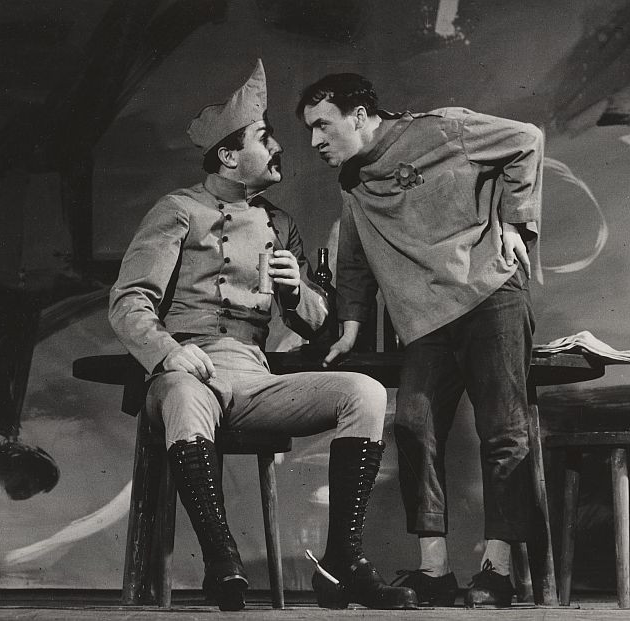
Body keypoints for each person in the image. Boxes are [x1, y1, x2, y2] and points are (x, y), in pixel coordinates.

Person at [109, 60, 417, 612]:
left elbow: (318, 326)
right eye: (264, 136)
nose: (279, 147)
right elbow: (129, 300)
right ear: (229, 155)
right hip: (186, 373)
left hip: (253, 376)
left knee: (365, 393)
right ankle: (222, 559)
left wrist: (298, 292)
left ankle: (343, 562)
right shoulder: (178, 211)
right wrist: (170, 352)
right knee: (184, 395)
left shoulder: (281, 224)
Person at [296, 73, 544, 608]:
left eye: (323, 125)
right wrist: (351, 323)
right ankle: (435, 571)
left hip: (490, 295)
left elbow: (527, 139)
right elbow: (354, 254)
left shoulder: (443, 129)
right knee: (414, 428)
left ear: (359, 115)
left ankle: (497, 570)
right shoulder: (351, 180)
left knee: (503, 430)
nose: (315, 140)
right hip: (426, 321)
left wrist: (515, 223)